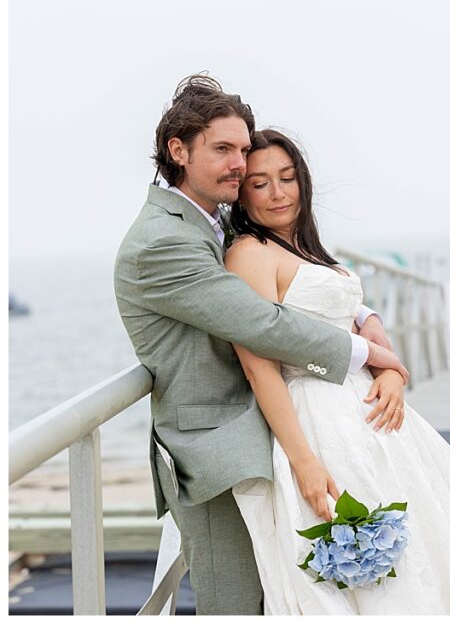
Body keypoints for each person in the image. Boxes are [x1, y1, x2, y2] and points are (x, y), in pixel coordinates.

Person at [114, 74, 409, 615]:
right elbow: (263, 324)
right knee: (239, 606)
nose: (239, 164)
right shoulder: (161, 242)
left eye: (242, 149)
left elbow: (291, 276)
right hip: (216, 452)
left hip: (268, 424)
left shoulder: (214, 217)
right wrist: (372, 355)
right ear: (178, 151)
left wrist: (360, 314)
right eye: (223, 149)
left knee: (295, 596)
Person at [224, 128, 450, 615]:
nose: (278, 193)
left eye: (288, 178)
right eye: (261, 182)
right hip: (318, 417)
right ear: (242, 195)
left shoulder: (306, 249)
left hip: (369, 408)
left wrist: (389, 369)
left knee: (429, 544)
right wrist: (305, 463)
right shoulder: (250, 253)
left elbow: (347, 311)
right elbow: (260, 366)